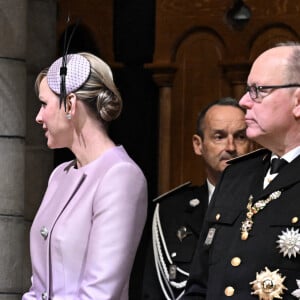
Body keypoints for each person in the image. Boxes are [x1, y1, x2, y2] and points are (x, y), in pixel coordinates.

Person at [22, 52, 148, 300]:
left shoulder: (121, 176)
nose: (38, 117)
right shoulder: (60, 175)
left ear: (70, 105)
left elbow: (100, 293)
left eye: (44, 104)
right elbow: (39, 286)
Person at [183, 41, 300, 300]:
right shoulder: (237, 175)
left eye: (260, 90)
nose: (244, 101)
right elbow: (200, 286)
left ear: (298, 101)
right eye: (248, 90)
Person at [141, 97, 253, 300]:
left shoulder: (266, 205)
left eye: (240, 137)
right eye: (219, 137)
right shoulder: (170, 211)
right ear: (198, 145)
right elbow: (153, 291)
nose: (230, 146)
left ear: (251, 145)